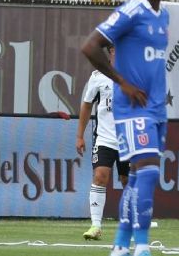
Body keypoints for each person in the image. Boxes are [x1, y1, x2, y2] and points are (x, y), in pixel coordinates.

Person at [81, 0, 173, 256]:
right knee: (146, 171)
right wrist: (121, 81)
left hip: (157, 108)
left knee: (137, 176)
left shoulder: (163, 15)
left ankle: (121, 244)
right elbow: (90, 46)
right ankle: (142, 245)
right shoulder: (131, 11)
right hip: (133, 109)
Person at [76, 45, 130, 241]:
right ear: (111, 51)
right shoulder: (98, 76)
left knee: (128, 181)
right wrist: (80, 135)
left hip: (129, 139)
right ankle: (96, 225)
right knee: (100, 176)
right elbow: (87, 104)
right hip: (105, 138)